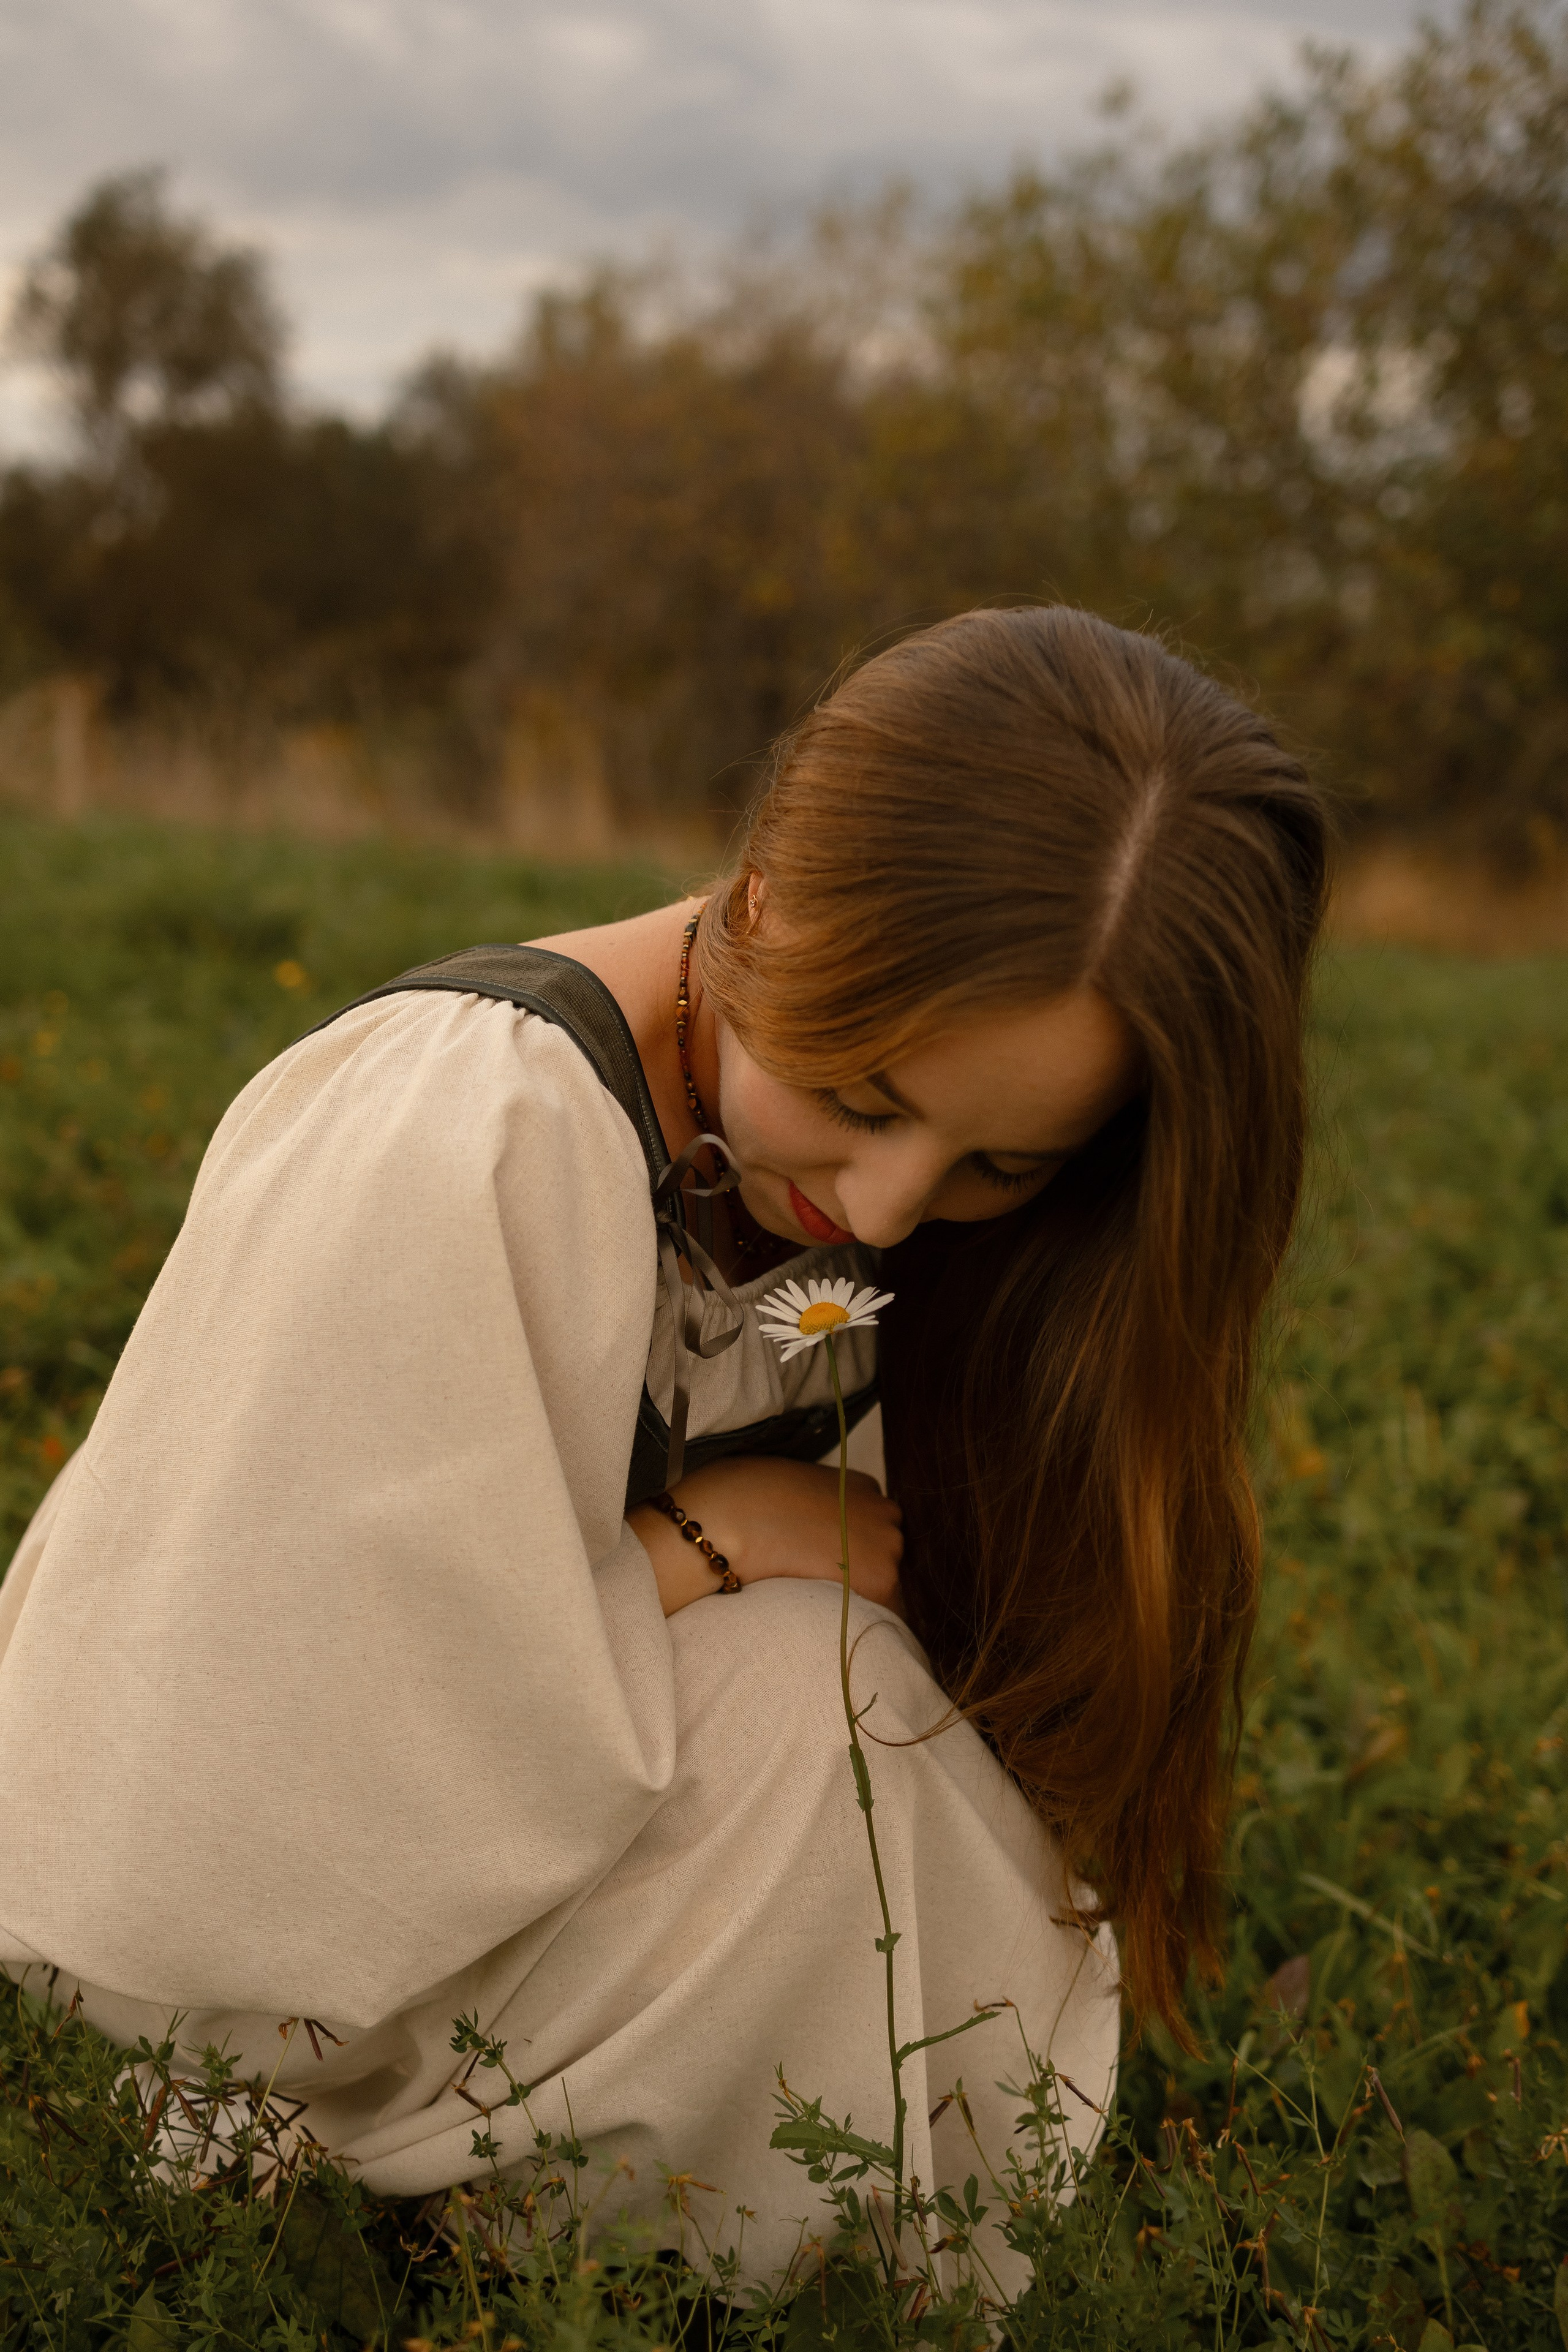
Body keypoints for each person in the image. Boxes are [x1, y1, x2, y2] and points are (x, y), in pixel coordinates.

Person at [0, 605, 1326, 2284]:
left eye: (1002, 1163)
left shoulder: (891, 1182)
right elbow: (258, 1756)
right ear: (761, 908)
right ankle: (526, 2233)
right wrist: (704, 1544)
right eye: (861, 1094)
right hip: (299, 1955)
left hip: (530, 1862)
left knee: (844, 1687)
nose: (891, 1206)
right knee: (805, 1684)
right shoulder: (478, 1135)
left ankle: (773, 2227)